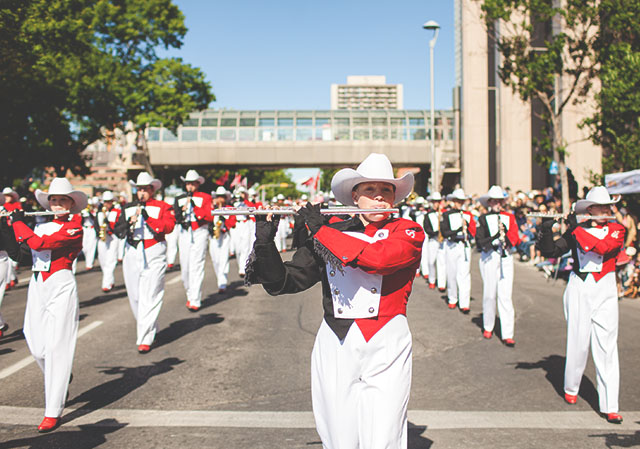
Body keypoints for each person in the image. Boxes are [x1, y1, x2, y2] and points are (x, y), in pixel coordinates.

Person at [246, 153, 424, 448]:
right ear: (355, 196)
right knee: (338, 435)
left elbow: (380, 259)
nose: (379, 198)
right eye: (370, 190)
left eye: (386, 191)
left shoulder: (407, 231)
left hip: (387, 341)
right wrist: (265, 243)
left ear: (395, 196)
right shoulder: (333, 232)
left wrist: (319, 230)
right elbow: (287, 281)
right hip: (336, 340)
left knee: (384, 435)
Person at [3, 178, 86, 432]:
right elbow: (24, 252)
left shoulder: (75, 227)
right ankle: (61, 378)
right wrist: (6, 224)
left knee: (57, 347)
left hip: (61, 284)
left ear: (71, 204)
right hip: (38, 284)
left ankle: (53, 411)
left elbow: (42, 245)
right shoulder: (42, 226)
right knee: (36, 345)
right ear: (48, 203)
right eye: (54, 200)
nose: (57, 204)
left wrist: (17, 221)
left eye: (63, 200)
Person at [538, 186, 625, 424]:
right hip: (579, 287)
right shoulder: (577, 231)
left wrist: (575, 227)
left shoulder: (617, 229)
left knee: (607, 346)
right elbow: (552, 251)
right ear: (590, 209)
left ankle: (610, 405)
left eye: (608, 206)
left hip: (605, 288)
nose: (606, 209)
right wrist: (547, 229)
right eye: (601, 206)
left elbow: (604, 248)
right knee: (578, 341)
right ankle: (571, 387)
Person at [114, 172, 175, 353]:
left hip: (153, 250)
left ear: (152, 190)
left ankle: (145, 337)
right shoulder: (128, 208)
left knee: (152, 293)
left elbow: (168, 227)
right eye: (139, 189)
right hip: (132, 251)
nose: (141, 193)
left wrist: (148, 217)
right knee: (135, 296)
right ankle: (147, 327)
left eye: (145, 189)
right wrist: (128, 223)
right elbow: (117, 230)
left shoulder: (163, 206)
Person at [475, 186, 520, 346]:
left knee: (505, 295)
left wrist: (507, 237)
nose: (497, 203)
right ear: (489, 202)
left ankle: (508, 333)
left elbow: (515, 236)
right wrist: (494, 237)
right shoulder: (482, 218)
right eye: (494, 201)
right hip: (490, 257)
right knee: (489, 293)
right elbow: (480, 241)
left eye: (499, 201)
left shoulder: (509, 217)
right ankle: (488, 325)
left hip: (505, 257)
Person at [174, 170, 213, 311]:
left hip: (199, 231)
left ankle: (195, 299)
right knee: (185, 267)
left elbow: (209, 216)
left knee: (196, 264)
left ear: (198, 184)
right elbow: (176, 217)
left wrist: (195, 207)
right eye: (187, 183)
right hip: (184, 231)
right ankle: (190, 294)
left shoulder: (205, 197)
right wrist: (182, 210)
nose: (189, 186)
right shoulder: (179, 199)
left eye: (192, 183)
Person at [441, 188, 476, 312]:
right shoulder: (447, 214)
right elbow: (444, 232)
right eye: (457, 201)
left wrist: (468, 227)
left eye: (461, 201)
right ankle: (452, 298)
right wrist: (458, 229)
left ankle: (464, 303)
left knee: (465, 274)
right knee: (452, 273)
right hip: (452, 245)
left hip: (464, 245)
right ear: (453, 201)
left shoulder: (468, 215)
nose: (459, 203)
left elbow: (474, 232)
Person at [209, 187, 237, 293]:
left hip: (224, 236)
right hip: (214, 237)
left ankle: (222, 283)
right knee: (215, 260)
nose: (220, 199)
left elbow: (233, 223)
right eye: (218, 197)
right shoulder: (211, 208)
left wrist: (224, 218)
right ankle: (219, 279)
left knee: (224, 259)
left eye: (222, 197)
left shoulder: (229, 208)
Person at [95, 191, 121, 292]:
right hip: (102, 238)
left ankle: (106, 285)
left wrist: (109, 226)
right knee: (103, 260)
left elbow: (118, 225)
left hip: (113, 238)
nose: (107, 204)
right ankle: (110, 280)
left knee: (111, 260)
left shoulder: (117, 211)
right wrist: (99, 232)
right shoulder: (100, 212)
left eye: (109, 202)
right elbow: (96, 225)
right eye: (105, 202)